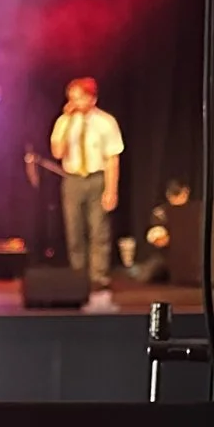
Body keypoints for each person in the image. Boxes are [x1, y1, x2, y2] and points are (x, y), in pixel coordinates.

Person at [48, 76, 124, 292]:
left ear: (92, 99)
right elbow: (57, 152)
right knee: (74, 229)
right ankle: (78, 274)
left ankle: (98, 276)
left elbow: (112, 158)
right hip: (72, 179)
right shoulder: (64, 122)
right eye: (71, 98)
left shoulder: (106, 122)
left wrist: (111, 190)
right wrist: (66, 122)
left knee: (98, 229)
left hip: (97, 178)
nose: (74, 102)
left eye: (79, 98)